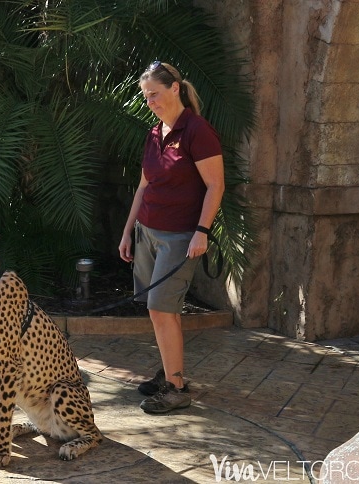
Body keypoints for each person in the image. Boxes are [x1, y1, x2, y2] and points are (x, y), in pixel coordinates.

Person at [118, 61, 224, 414]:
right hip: (147, 231)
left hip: (180, 237)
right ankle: (169, 370)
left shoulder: (197, 130)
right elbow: (144, 185)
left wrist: (202, 231)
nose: (150, 101)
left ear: (175, 88)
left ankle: (176, 388)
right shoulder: (154, 133)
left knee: (161, 308)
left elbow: (215, 185)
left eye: (155, 94)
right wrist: (128, 231)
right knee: (160, 312)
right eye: (145, 96)